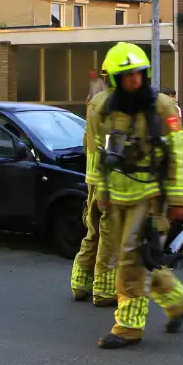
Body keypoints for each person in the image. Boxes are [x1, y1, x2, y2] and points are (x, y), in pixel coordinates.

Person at [89, 42, 183, 349]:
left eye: (139, 73)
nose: (135, 80)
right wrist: (101, 191)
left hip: (151, 196)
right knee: (146, 259)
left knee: (130, 261)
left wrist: (178, 199)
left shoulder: (162, 108)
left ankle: (129, 326)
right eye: (128, 75)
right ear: (115, 80)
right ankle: (179, 301)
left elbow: (178, 152)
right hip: (118, 194)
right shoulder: (104, 109)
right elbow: (100, 152)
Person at [70, 64, 117, 308]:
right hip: (107, 178)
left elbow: (87, 140)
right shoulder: (115, 105)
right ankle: (104, 291)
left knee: (93, 231)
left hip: (92, 176)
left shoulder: (95, 101)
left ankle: (80, 283)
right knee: (108, 235)